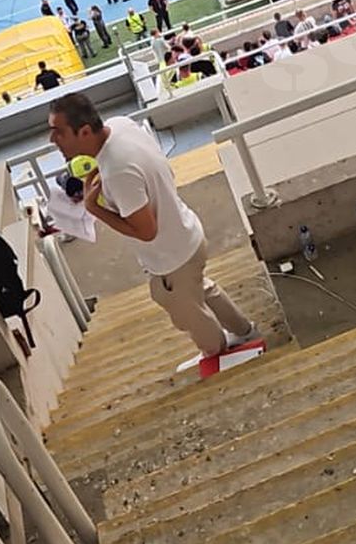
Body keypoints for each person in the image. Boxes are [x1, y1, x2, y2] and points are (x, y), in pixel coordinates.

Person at [46, 93, 259, 361]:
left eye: (58, 132)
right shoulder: (121, 125)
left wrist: (94, 208)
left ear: (85, 131)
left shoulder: (118, 171)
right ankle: (245, 331)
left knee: (187, 312)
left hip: (172, 258)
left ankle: (216, 351)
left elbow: (147, 231)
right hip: (186, 234)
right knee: (200, 289)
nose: (52, 140)